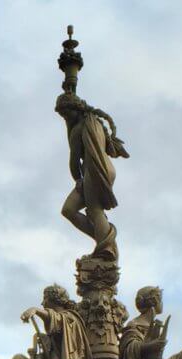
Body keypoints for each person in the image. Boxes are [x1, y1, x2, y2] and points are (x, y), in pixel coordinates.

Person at [56, 92, 129, 259]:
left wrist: (78, 179)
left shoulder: (79, 128)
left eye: (66, 114)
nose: (65, 118)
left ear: (75, 109)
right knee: (69, 210)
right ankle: (104, 240)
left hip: (94, 170)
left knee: (95, 210)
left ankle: (107, 249)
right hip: (106, 168)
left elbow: (74, 161)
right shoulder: (94, 123)